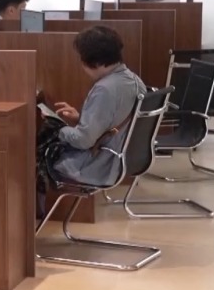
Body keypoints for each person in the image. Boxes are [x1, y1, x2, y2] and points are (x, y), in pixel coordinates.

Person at [46, 26, 146, 189]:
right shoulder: (134, 80)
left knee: (40, 152)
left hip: (98, 165)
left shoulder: (104, 89)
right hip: (124, 158)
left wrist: (57, 128)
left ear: (94, 62)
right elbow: (114, 120)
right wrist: (81, 119)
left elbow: (84, 141)